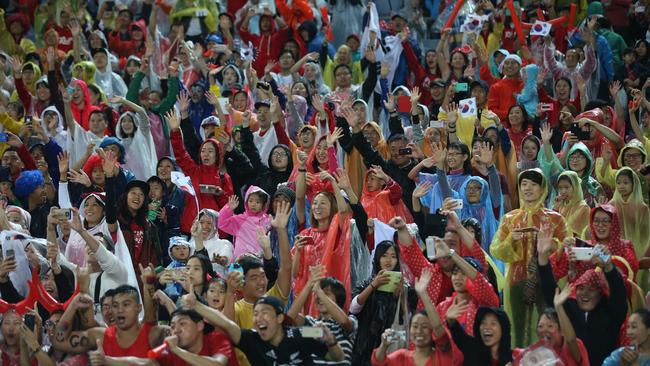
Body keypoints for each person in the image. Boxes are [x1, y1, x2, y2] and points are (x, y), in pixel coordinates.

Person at [490, 169, 568, 347]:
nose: (527, 188)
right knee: (515, 327)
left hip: (546, 280)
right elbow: (496, 249)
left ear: (543, 189)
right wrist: (511, 240)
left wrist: (550, 245)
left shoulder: (555, 219)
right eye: (524, 184)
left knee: (547, 325)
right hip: (516, 280)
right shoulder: (510, 219)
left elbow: (567, 248)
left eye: (533, 184)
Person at [538, 223, 628, 366]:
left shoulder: (610, 313)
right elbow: (550, 291)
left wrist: (609, 267)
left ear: (600, 293)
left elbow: (619, 294)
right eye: (581, 288)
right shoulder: (570, 308)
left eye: (591, 289)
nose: (584, 293)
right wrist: (542, 256)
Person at [371, 268, 464, 366]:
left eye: (424, 327)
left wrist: (423, 294)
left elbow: (439, 330)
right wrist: (384, 345)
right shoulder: (401, 357)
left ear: (432, 331)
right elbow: (378, 362)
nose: (419, 331)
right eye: (415, 326)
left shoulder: (443, 357)